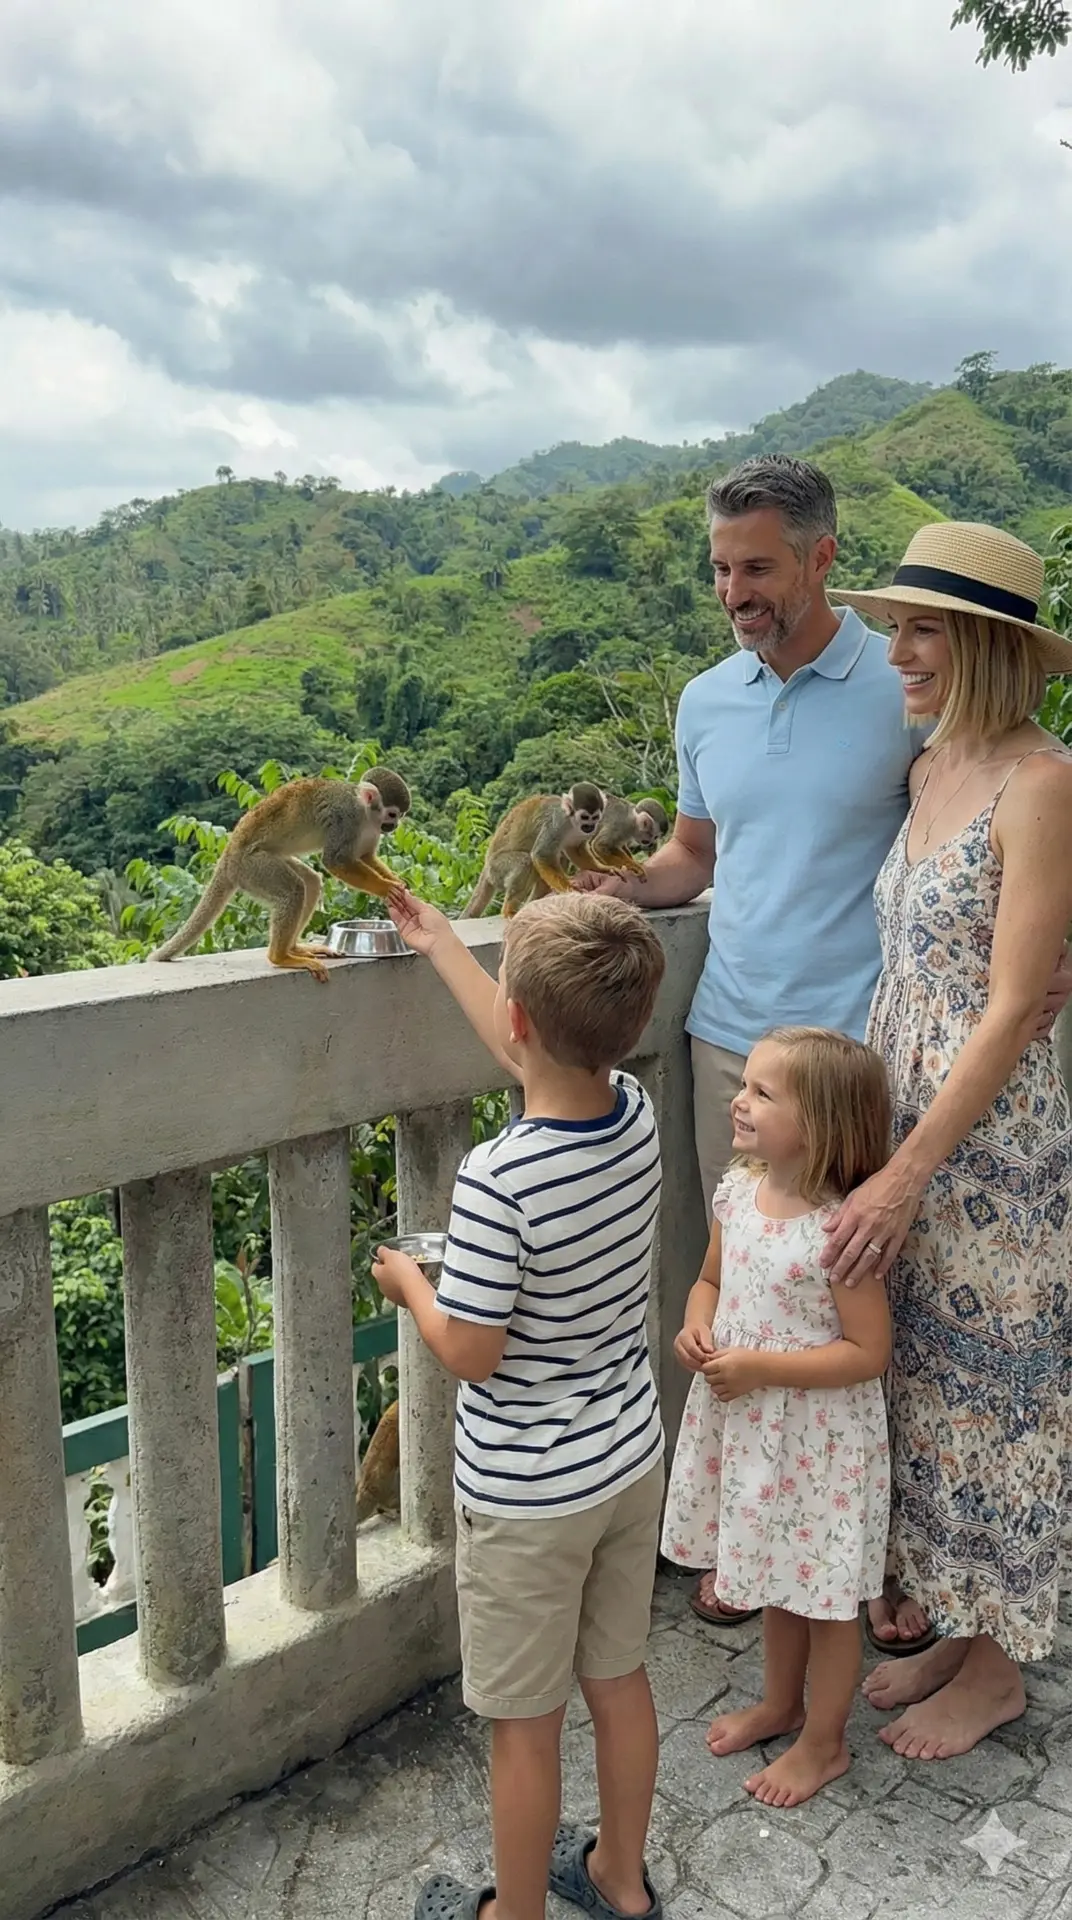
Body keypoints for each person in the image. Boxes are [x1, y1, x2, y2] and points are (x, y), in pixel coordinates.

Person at [574, 455, 1072, 1653]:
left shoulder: (920, 712)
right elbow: (695, 858)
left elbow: (1006, 884)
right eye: (720, 569)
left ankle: (889, 1583)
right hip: (732, 1038)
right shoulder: (732, 707)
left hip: (870, 1067)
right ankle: (753, 1541)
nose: (736, 590)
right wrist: (612, 894)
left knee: (889, 1330)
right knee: (742, 1286)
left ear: (818, 560)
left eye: (757, 566)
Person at [812, 520, 1072, 1760]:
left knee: (997, 1395)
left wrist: (912, 1173)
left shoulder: (1041, 779)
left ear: (986, 645)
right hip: (904, 1110)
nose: (897, 649)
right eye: (898, 624)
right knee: (922, 1386)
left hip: (987, 1149)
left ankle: (1000, 1666)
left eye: (922, 629)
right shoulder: (930, 768)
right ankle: (958, 1633)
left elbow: (1017, 999)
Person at [373, 888, 668, 1920]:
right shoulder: (632, 1113)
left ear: (518, 1020)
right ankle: (620, 1883)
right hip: (628, 1462)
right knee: (619, 1679)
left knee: (523, 1725)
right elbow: (541, 1065)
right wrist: (442, 942)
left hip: (528, 1498)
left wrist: (409, 1282)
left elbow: (472, 1349)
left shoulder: (496, 1180)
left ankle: (515, 1913)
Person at [662, 1027, 893, 1808]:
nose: (741, 1099)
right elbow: (708, 1280)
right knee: (771, 1574)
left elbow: (867, 1351)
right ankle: (779, 1703)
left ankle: (825, 1741)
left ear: (822, 1124)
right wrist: (699, 1325)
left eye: (765, 1093)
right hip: (753, 1429)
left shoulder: (838, 1228)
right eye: (746, 1084)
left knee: (824, 1595)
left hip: (819, 1443)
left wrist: (761, 1366)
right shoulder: (737, 1191)